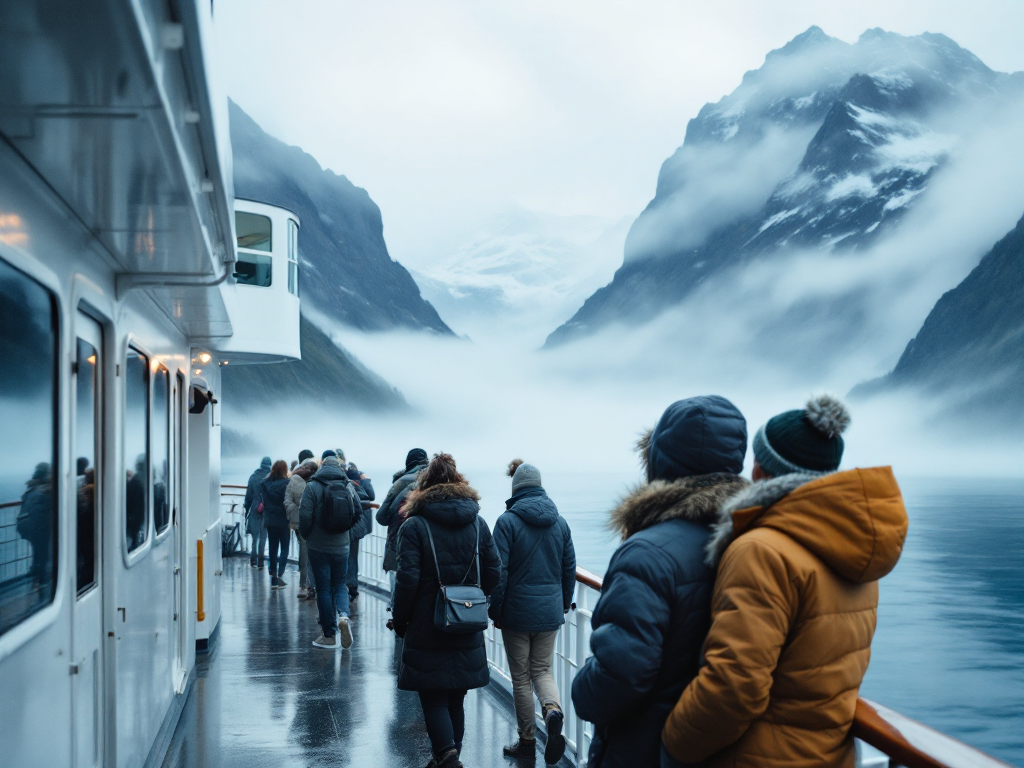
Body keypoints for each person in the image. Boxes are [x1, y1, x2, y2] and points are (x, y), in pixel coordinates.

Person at [660, 395, 909, 768]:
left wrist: (674, 744)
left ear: (762, 470)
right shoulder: (852, 550)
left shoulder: (761, 550)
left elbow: (735, 685)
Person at [571, 396, 749, 768]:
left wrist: (581, 689)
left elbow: (622, 673)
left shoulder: (646, 553)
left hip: (643, 749)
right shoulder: (752, 541)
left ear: (659, 460)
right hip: (712, 748)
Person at [392, 453, 501, 768]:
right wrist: (476, 598)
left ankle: (448, 759)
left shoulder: (415, 525)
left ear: (424, 486)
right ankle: (448, 757)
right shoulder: (478, 523)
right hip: (467, 619)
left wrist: (401, 621)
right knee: (456, 695)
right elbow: (494, 572)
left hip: (428, 623)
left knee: (433, 695)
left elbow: (407, 580)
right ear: (459, 482)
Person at [489, 460, 576, 764]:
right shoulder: (561, 523)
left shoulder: (507, 522)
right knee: (541, 670)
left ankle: (527, 741)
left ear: (515, 489)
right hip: (549, 612)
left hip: (516, 613)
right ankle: (552, 710)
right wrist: (564, 603)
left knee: (521, 678)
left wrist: (495, 610)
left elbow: (499, 572)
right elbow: (569, 568)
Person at [299, 450, 361, 650]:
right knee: (340, 585)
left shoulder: (312, 486)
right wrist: (344, 532)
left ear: (323, 466)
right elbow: (358, 512)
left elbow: (305, 517)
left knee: (323, 589)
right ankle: (344, 615)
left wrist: (308, 536)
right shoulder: (348, 486)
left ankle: (329, 636)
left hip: (318, 547)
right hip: (342, 546)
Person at [376, 448, 429, 599]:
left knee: (399, 593)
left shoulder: (402, 482)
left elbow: (382, 517)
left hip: (400, 545)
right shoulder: (437, 481)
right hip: (430, 547)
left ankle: (397, 618)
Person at [286, 457, 318, 600]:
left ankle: (305, 584)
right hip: (310, 523)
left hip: (299, 522)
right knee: (308, 552)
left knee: (304, 551)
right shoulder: (315, 483)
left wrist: (295, 512)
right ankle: (306, 584)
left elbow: (287, 501)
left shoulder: (293, 481)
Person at [259, 460, 292, 589]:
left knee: (273, 547)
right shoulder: (287, 484)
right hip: (283, 519)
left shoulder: (264, 484)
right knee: (284, 547)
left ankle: (273, 576)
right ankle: (280, 573)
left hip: (270, 519)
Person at [345, 460, 375, 601]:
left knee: (347, 557)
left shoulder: (346, 485)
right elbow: (371, 496)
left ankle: (348, 586)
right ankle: (352, 587)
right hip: (356, 527)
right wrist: (366, 480)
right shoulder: (359, 486)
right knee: (352, 557)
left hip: (346, 527)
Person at [244, 456, 271, 568]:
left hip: (255, 508)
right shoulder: (272, 477)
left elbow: (248, 496)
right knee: (263, 536)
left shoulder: (253, 477)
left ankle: (253, 560)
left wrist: (246, 509)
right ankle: (261, 561)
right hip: (267, 508)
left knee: (255, 536)